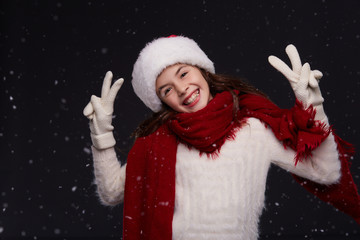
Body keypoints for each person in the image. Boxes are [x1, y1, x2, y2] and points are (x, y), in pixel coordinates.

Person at [83, 35, 360, 240]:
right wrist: (101, 135)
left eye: (184, 73)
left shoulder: (253, 128)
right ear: (162, 102)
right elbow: (112, 193)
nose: (182, 89)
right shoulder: (158, 144)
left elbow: (326, 172)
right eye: (166, 90)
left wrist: (315, 109)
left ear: (201, 70)